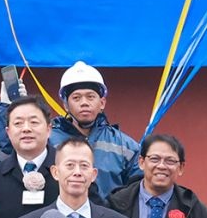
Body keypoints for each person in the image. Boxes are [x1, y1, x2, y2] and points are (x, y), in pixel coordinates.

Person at [47, 61, 140, 200]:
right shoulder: (48, 139)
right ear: (66, 105)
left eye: (90, 96)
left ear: (102, 103)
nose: (84, 103)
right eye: (76, 97)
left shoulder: (125, 146)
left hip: (110, 214)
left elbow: (139, 192)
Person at [0, 98, 58, 218]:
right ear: (8, 132)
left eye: (34, 122)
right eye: (18, 123)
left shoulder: (67, 172)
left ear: (48, 129)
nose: (26, 129)